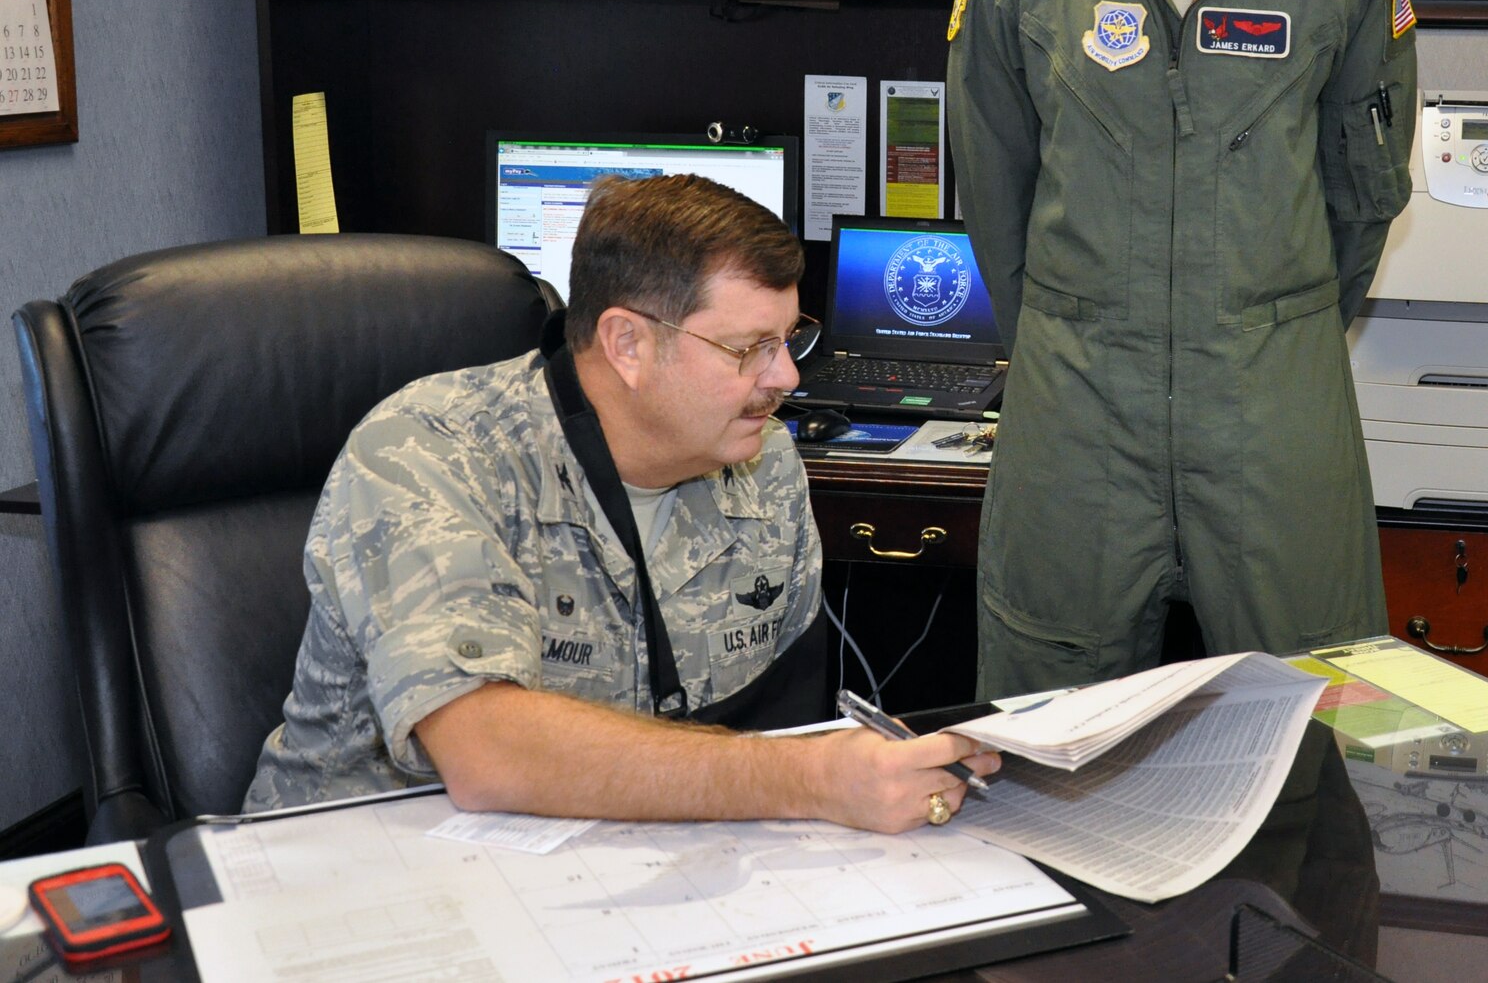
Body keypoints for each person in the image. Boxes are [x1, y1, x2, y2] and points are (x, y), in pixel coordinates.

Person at [244, 174, 996, 832]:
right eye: (748, 349)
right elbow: (486, 751)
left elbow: (778, 728)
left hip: (626, 867)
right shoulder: (433, 452)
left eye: (788, 338)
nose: (786, 380)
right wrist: (814, 780)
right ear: (627, 344)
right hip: (366, 873)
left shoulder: (764, 467)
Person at [945, 0, 1419, 698]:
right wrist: (1068, 336)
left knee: (1313, 693)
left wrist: (1270, 328)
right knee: (1047, 702)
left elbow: (1361, 198)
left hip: (1269, 397)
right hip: (1074, 397)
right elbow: (994, 195)